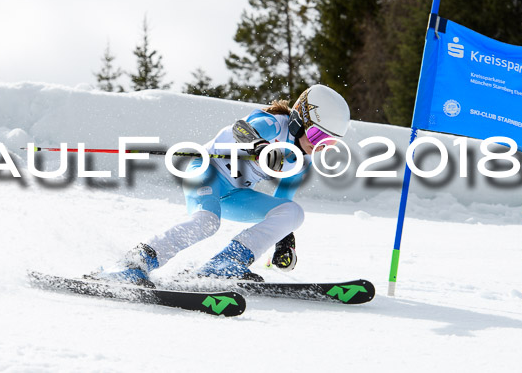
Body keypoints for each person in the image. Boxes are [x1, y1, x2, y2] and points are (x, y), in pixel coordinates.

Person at [90, 84, 351, 286]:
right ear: (297, 120)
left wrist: (283, 238)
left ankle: (226, 263)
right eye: (316, 135)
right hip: (205, 171)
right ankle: (133, 262)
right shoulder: (272, 124)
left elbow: (284, 200)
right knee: (207, 222)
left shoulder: (302, 160)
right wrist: (260, 147)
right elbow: (242, 128)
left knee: (294, 213)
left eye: (328, 143)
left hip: (235, 193)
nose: (317, 146)